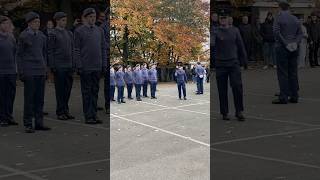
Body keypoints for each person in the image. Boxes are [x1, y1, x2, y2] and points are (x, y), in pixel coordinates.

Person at [17, 12, 51, 133]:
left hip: (40, 71)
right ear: (29, 23)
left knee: (39, 99)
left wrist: (46, 69)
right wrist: (21, 71)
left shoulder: (42, 36)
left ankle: (39, 122)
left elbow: (44, 54)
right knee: (29, 99)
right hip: (29, 71)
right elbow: (19, 55)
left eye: (38, 22)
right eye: (35, 22)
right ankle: (28, 123)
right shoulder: (24, 36)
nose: (37, 24)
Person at [212, 9, 247, 121]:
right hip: (221, 64)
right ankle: (224, 112)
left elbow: (241, 46)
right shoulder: (215, 31)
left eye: (225, 18)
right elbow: (212, 44)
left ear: (228, 19)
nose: (223, 20)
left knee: (237, 87)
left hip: (233, 63)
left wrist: (244, 61)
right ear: (219, 19)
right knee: (222, 90)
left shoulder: (235, 30)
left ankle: (239, 111)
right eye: (221, 18)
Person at [74, 8, 107, 124]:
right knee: (87, 92)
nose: (92, 19)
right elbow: (76, 49)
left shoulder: (100, 31)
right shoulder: (79, 31)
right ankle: (88, 116)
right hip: (86, 67)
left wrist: (104, 64)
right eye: (90, 17)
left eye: (94, 17)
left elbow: (103, 48)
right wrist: (79, 65)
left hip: (97, 66)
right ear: (86, 18)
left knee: (95, 92)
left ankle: (94, 114)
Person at [272, 0, 302, 104]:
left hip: (282, 48)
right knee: (293, 72)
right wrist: (295, 43)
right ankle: (294, 95)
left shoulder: (278, 18)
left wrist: (286, 43)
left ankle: (284, 97)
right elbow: (300, 33)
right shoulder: (295, 18)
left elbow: (276, 32)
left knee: (283, 73)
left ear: (280, 8)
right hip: (294, 48)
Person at [48, 12, 75, 121]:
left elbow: (73, 49)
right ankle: (60, 111)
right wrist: (52, 65)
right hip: (59, 65)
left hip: (69, 65)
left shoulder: (69, 34)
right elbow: (50, 51)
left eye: (65, 20)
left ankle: (65, 110)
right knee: (60, 90)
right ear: (57, 21)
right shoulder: (53, 34)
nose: (64, 22)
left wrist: (74, 64)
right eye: (62, 20)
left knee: (67, 90)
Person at [0, 15, 18, 127]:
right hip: (1, 72)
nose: (7, 25)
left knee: (11, 95)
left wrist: (16, 69)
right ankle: (2, 118)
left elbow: (15, 53)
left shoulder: (11, 37)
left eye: (8, 23)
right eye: (5, 23)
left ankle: (9, 116)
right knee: (1, 96)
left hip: (11, 71)